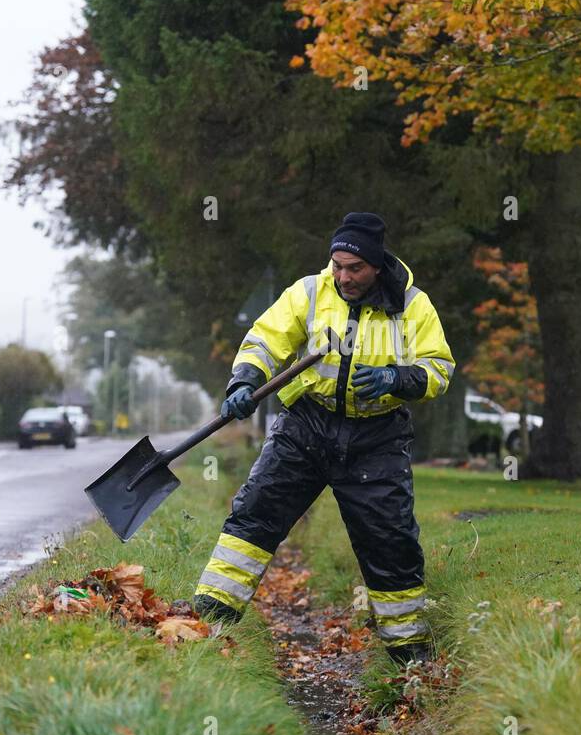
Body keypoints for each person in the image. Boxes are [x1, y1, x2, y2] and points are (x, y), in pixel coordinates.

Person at [191, 212, 455, 663]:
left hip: (377, 437)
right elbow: (265, 340)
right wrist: (243, 382)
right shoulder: (309, 292)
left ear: (375, 265)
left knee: (389, 541)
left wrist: (397, 377)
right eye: (337, 265)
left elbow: (438, 368)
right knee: (256, 513)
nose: (343, 277)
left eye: (354, 269)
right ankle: (207, 623)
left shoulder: (413, 305)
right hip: (306, 428)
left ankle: (411, 659)